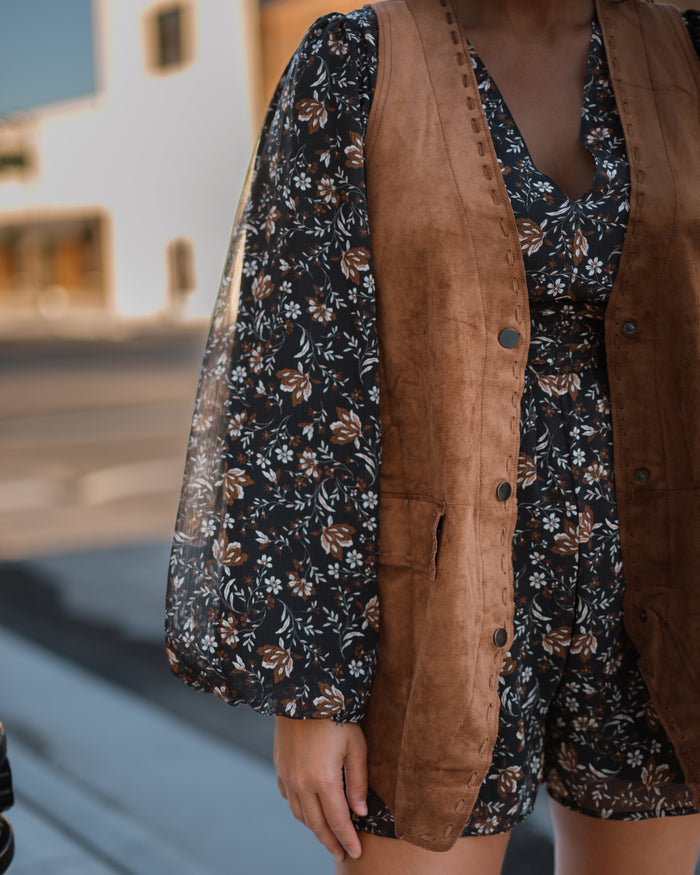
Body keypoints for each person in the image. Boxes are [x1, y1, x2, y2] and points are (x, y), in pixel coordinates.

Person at [165, 0, 700, 871]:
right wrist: (312, 691)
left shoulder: (685, 53)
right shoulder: (359, 62)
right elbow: (299, 383)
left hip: (663, 591)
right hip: (432, 609)